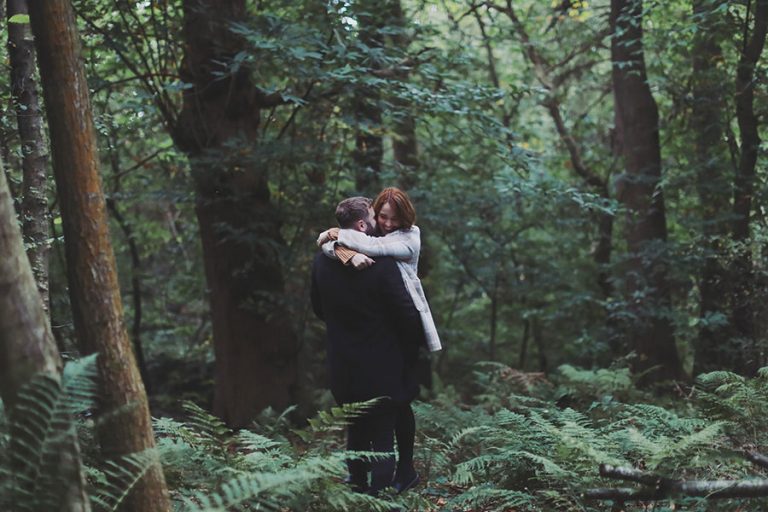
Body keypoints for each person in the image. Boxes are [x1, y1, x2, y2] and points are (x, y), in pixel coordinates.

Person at [316, 187, 440, 493]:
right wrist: (403, 347)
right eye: (377, 216)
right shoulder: (381, 267)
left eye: (390, 218)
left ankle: (363, 482)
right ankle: (381, 493)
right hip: (382, 359)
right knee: (384, 424)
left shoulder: (323, 261)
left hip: (344, 360)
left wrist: (331, 239)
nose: (383, 222)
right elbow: (405, 314)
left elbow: (319, 307)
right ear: (363, 222)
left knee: (359, 421)